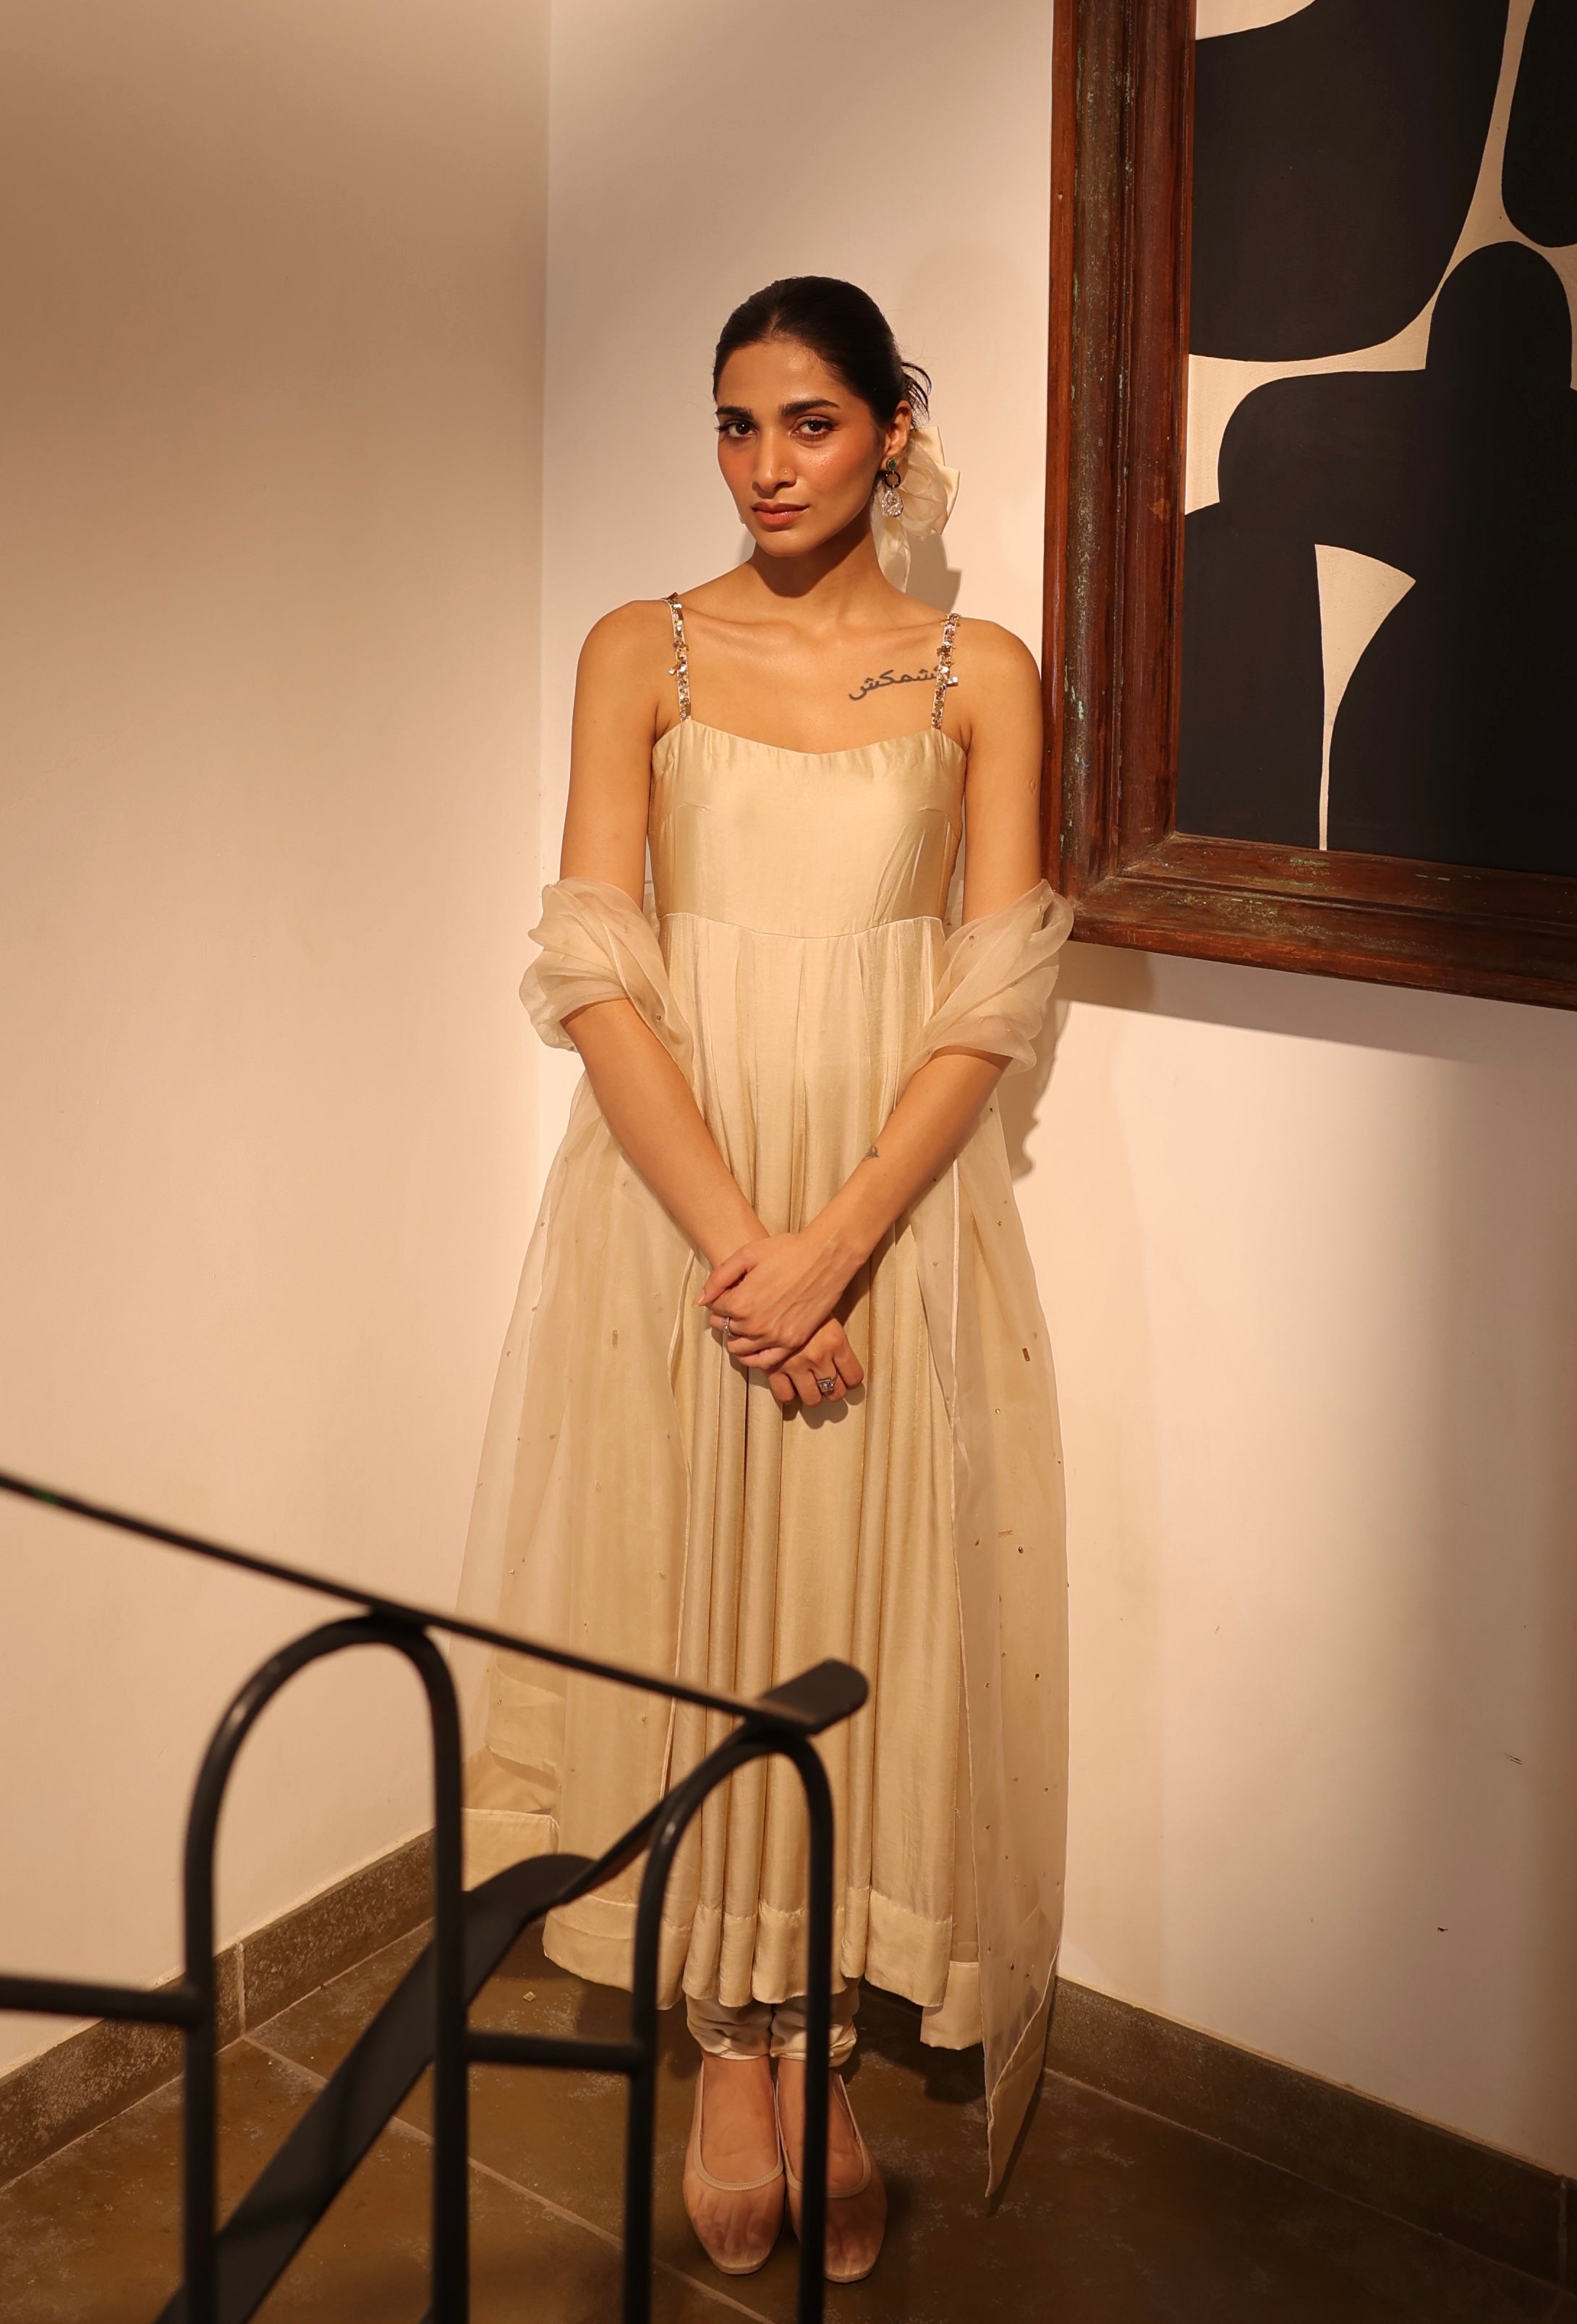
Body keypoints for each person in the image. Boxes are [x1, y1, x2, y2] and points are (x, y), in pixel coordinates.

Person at [458, 276, 1072, 2283]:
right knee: (692, 1605)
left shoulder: (981, 672)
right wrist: (744, 1254)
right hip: (679, 1211)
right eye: (735, 424)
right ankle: (723, 2045)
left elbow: (991, 992)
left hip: (890, 1219)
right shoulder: (636, 648)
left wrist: (835, 1248)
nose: (766, 466)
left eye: (809, 423)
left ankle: (814, 2041)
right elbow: (594, 964)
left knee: (853, 1601)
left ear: (889, 430)